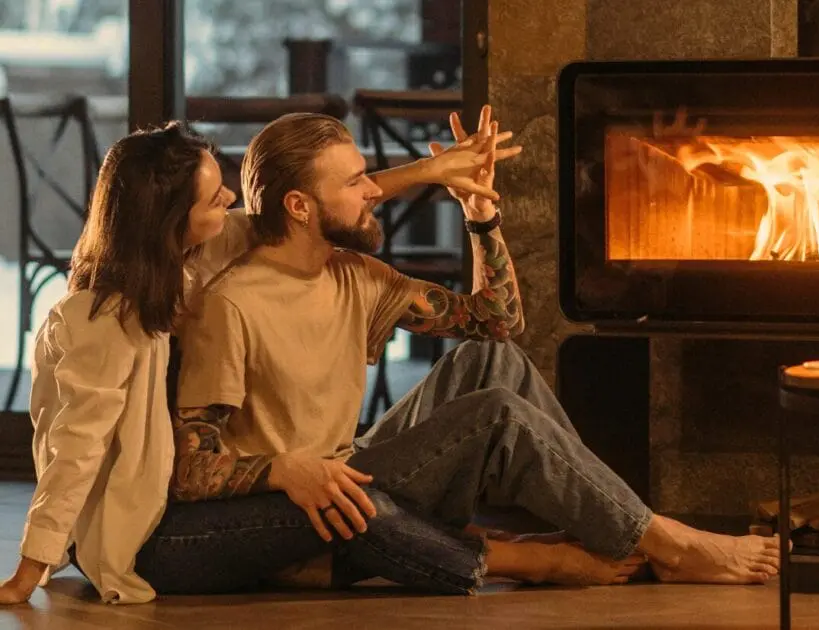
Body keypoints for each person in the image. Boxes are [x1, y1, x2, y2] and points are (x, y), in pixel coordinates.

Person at [0, 116, 630, 606]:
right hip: (158, 531)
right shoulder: (109, 316)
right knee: (358, 504)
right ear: (173, 221)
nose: (231, 206)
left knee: (496, 369)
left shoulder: (201, 259)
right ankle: (539, 555)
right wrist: (33, 566)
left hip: (300, 475)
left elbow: (289, 215)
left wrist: (460, 194)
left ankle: (609, 524)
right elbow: (76, 448)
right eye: (216, 199)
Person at [172, 105, 782, 592]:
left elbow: (497, 323)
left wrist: (481, 215)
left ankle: (614, 528)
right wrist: (285, 470)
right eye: (356, 181)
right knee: (494, 411)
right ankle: (668, 544)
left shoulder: (355, 274)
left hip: (355, 463)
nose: (374, 192)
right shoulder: (231, 305)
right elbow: (192, 469)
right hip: (320, 510)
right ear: (300, 206)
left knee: (495, 363)